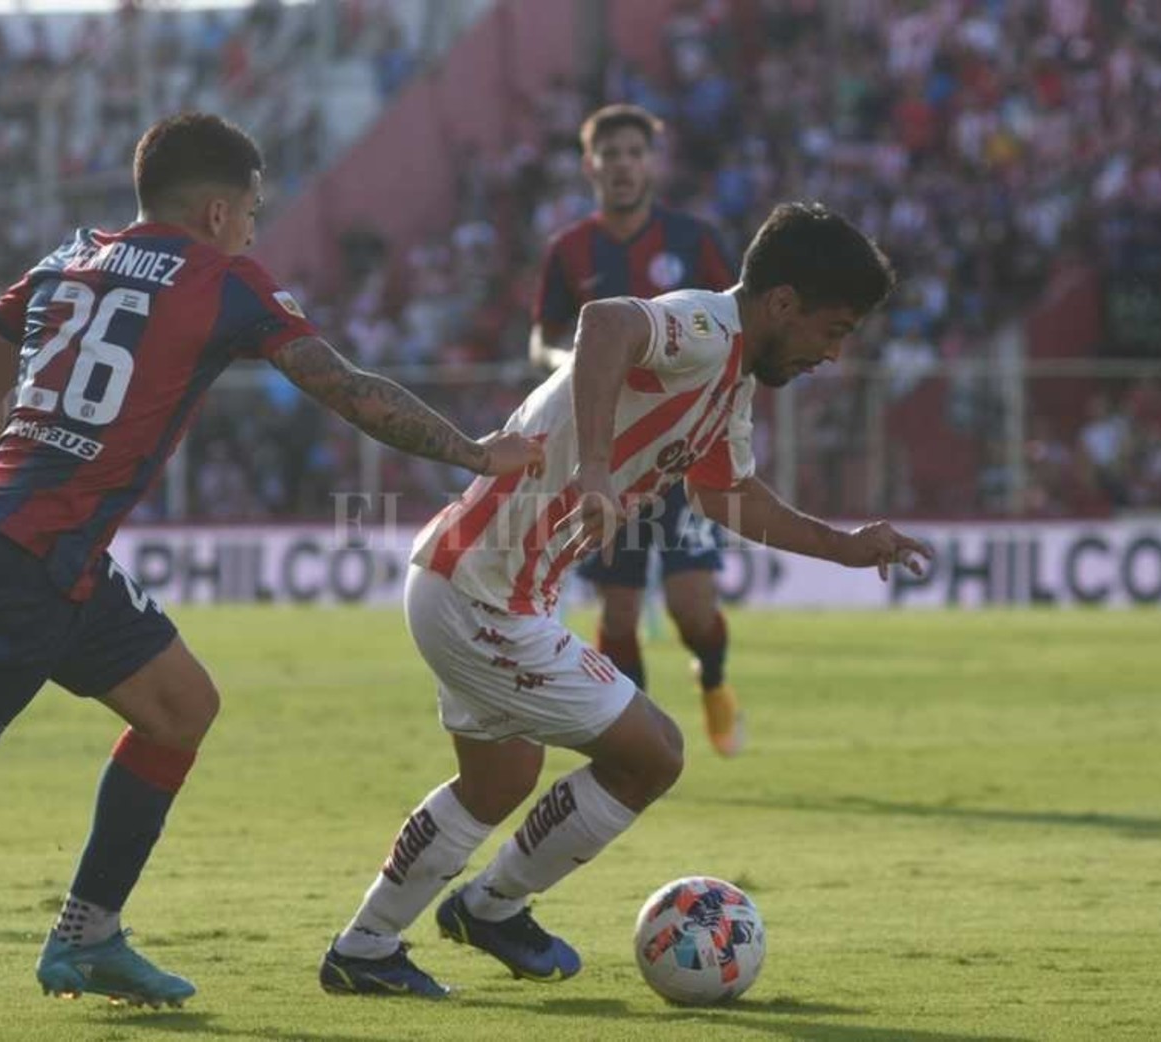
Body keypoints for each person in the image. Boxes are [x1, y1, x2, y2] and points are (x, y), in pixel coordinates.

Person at [0, 113, 541, 1008]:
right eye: (251, 210)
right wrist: (475, 453)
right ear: (216, 212)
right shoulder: (223, 279)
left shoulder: (64, 261)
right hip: (25, 570)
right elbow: (349, 390)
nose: (253, 228)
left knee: (180, 706)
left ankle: (89, 934)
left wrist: (11, 502)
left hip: (23, 548)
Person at [320, 201, 932, 998]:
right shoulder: (705, 328)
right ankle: (489, 908)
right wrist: (598, 470)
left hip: (478, 584)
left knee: (497, 783)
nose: (833, 353)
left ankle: (367, 948)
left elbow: (725, 496)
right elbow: (604, 322)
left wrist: (843, 546)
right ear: (783, 303)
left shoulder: (732, 383)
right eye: (833, 329)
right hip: (482, 594)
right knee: (653, 753)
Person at [530, 103, 744, 757]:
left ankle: (712, 678)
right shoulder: (569, 250)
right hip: (610, 455)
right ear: (589, 165)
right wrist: (574, 361)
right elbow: (541, 339)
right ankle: (641, 739)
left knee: (691, 608)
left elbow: (738, 324)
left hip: (684, 449)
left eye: (633, 153)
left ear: (651, 163)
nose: (622, 165)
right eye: (610, 154)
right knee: (618, 613)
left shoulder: (694, 241)